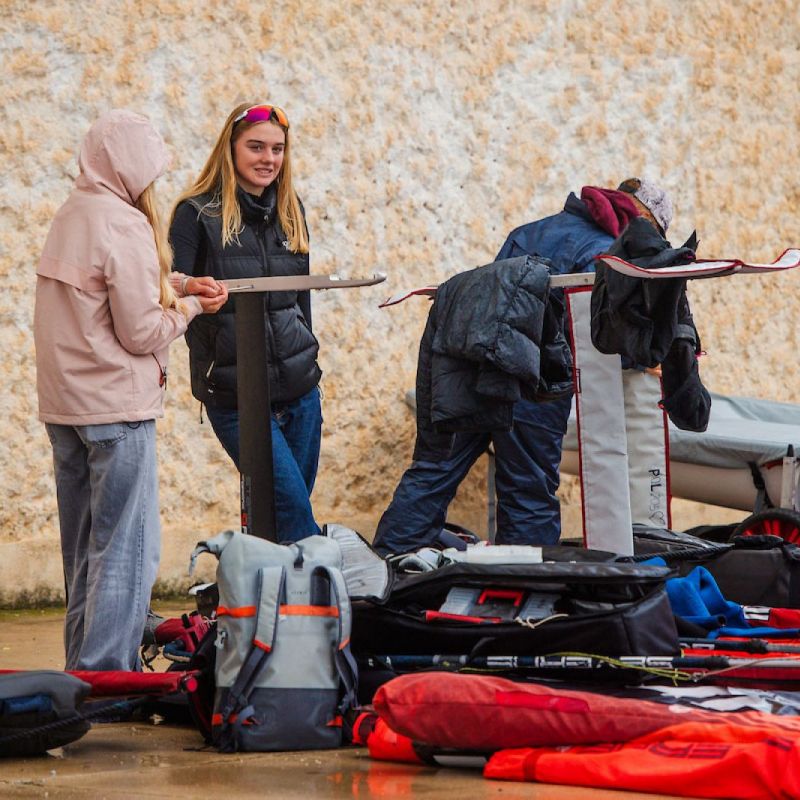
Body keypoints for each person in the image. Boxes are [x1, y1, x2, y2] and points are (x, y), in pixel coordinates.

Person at [372, 178, 673, 556]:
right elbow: (595, 332)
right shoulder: (604, 250)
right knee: (528, 490)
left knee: (435, 470)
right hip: (533, 377)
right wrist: (642, 358)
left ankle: (386, 564)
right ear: (644, 215)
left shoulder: (529, 232)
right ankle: (522, 583)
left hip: (471, 364)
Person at [34, 110, 228, 671]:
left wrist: (179, 282)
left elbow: (107, 292)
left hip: (67, 408)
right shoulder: (125, 222)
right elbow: (141, 331)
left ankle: (81, 674)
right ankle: (109, 677)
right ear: (131, 167)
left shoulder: (73, 213)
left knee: (83, 552)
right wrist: (191, 308)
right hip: (116, 408)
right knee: (125, 551)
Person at [169, 102, 322, 541]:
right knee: (297, 521)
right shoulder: (196, 214)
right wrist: (192, 290)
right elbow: (167, 289)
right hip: (237, 397)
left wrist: (310, 365)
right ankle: (325, 577)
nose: (268, 158)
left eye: (277, 149)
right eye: (256, 146)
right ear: (230, 148)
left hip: (301, 396)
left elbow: (301, 301)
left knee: (280, 523)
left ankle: (268, 586)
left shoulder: (291, 210)